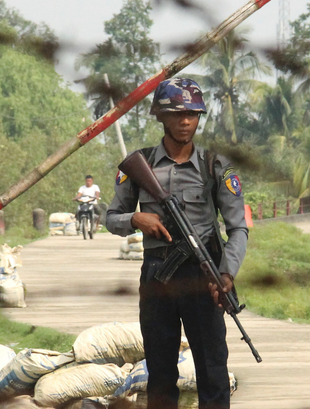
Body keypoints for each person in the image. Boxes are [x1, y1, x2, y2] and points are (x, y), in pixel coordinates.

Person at [105, 78, 248, 409]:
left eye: (193, 114)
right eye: (177, 114)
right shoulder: (139, 165)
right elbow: (112, 217)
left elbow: (238, 228)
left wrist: (225, 275)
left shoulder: (216, 166)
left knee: (213, 369)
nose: (186, 121)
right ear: (159, 115)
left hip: (204, 275)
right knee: (160, 370)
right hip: (158, 275)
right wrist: (136, 219)